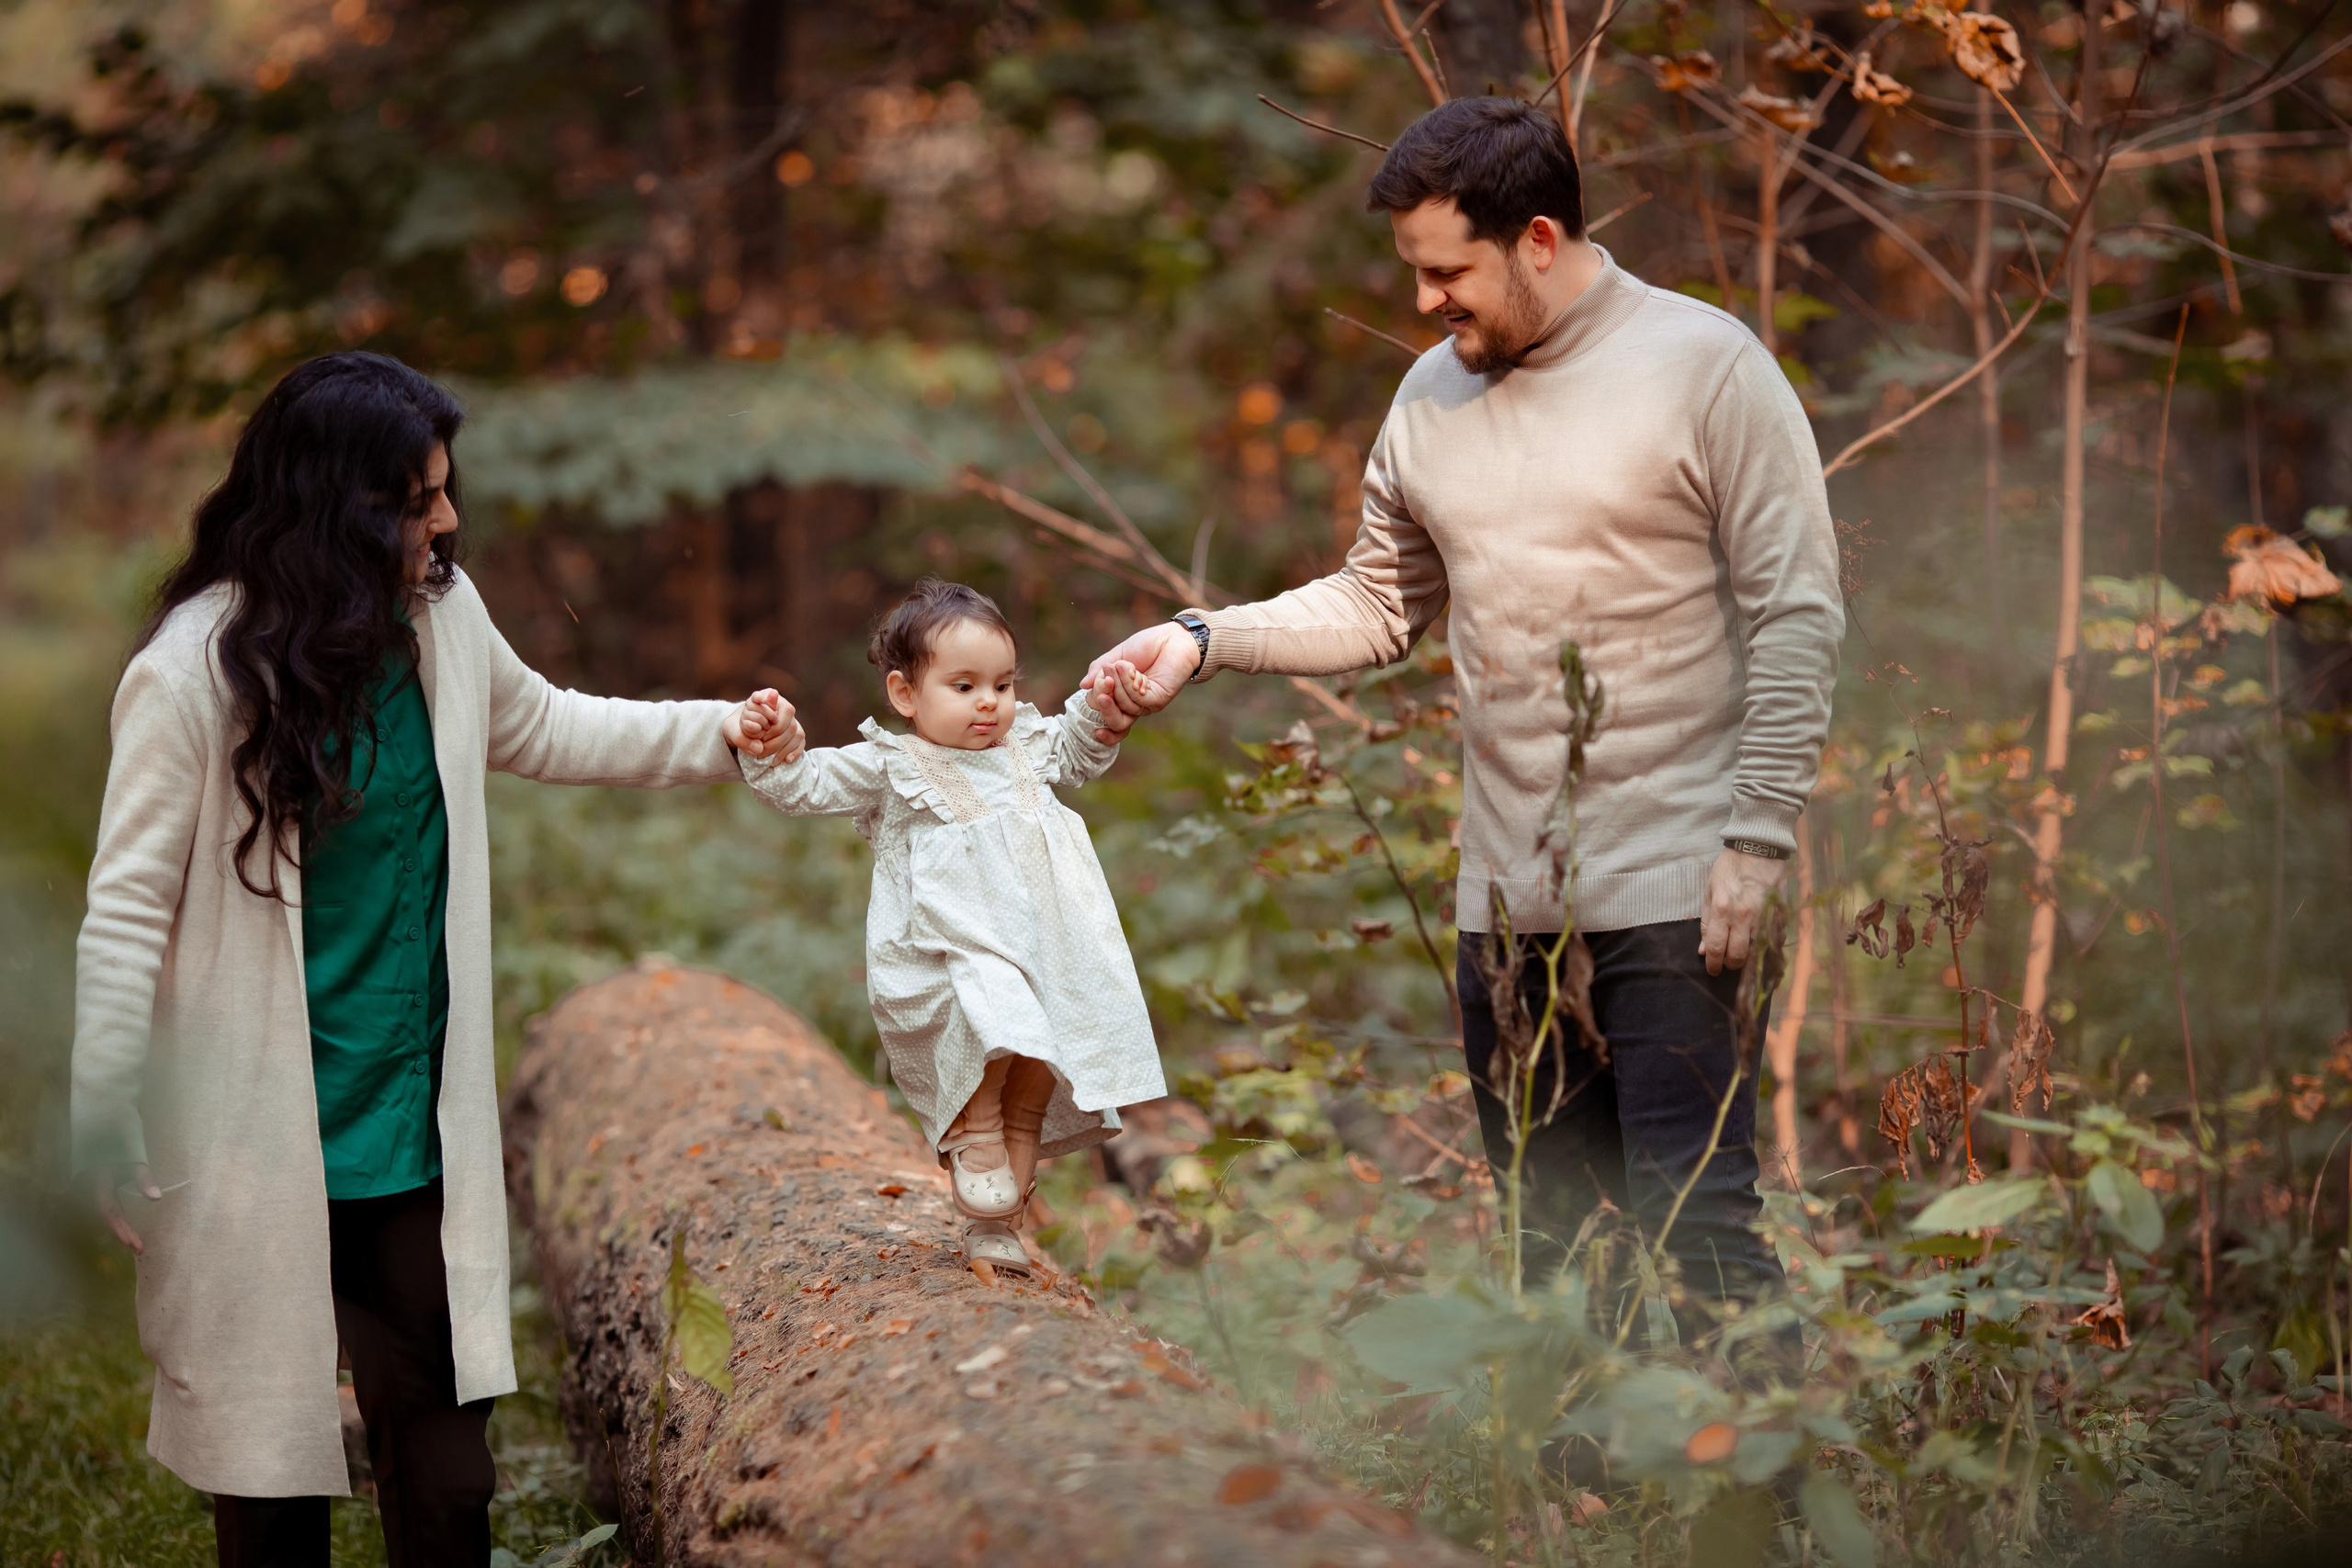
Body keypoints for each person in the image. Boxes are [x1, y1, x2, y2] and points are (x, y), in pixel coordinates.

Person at [1083, 98, 1844, 1314]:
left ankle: (1762, 1448)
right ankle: (1587, 1449)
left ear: (1537, 238)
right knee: (1553, 1252)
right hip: (1507, 905)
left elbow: (1796, 611)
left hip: (1677, 888)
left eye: (1448, 273)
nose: (1425, 300)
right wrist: (1204, 638)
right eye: (1415, 272)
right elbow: (1378, 602)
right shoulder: (1429, 396)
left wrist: (1756, 839)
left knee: (1697, 1230)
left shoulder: (1706, 369)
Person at [72, 351, 799, 1566]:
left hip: (410, 1130)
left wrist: (720, 730)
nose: (446, 520)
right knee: (268, 1479)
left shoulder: (439, 617)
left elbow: (544, 720)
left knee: (450, 1481)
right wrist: (105, 1107)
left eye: (442, 491)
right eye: (416, 501)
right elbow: (125, 906)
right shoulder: (193, 672)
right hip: (255, 1133)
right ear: (336, 510)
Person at [733, 579, 1168, 1272]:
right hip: (953, 951)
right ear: (906, 694)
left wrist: (1110, 701)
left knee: (1036, 1070)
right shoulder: (891, 765)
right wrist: (770, 742)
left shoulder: (1027, 745)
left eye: (1003, 683)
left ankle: (997, 1224)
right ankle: (973, 1133)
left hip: (1048, 946)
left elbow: (1080, 746)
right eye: (964, 686)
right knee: (994, 1025)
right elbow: (802, 785)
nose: (989, 701)